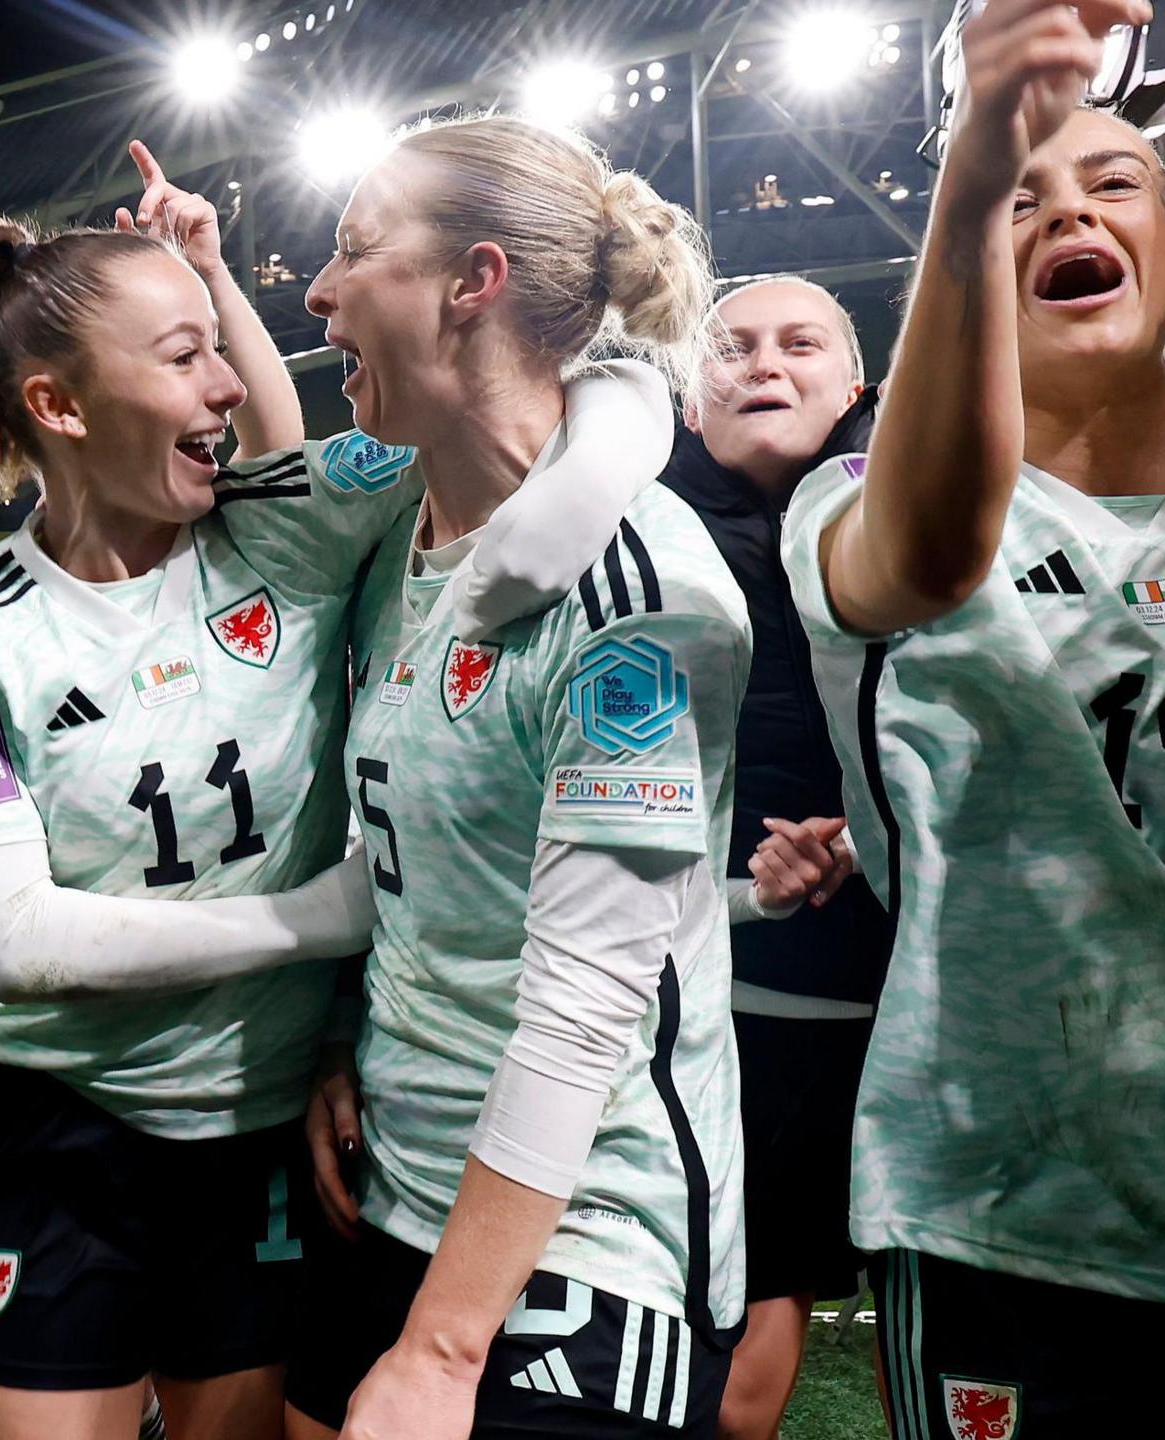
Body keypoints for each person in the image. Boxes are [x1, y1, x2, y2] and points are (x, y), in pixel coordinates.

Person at [0, 137, 684, 1434]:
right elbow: (16, 941)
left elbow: (570, 407)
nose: (232, 380)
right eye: (185, 352)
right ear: (63, 408)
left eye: (223, 342)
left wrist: (558, 525)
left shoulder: (297, 520)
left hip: (268, 1137)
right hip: (58, 1133)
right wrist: (318, 919)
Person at [278, 115, 756, 1440]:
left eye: (356, 250)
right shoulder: (399, 531)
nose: (316, 290)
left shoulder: (636, 593)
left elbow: (585, 1005)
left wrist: (442, 1347)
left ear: (473, 282)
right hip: (392, 1188)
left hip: (578, 1241)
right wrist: (335, 1040)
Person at [781, 1, 1164, 1433]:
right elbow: (931, 552)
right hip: (1008, 1209)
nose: (1063, 204)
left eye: (1115, 181)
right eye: (1022, 200)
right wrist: (969, 162)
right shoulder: (854, 505)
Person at [664, 276, 894, 1440]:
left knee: (778, 1286)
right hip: (674, 979)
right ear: (684, 393)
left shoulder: (916, 506)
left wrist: (880, 821)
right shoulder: (629, 522)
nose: (763, 363)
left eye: (799, 344)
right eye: (731, 346)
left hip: (874, 993)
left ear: (853, 382)